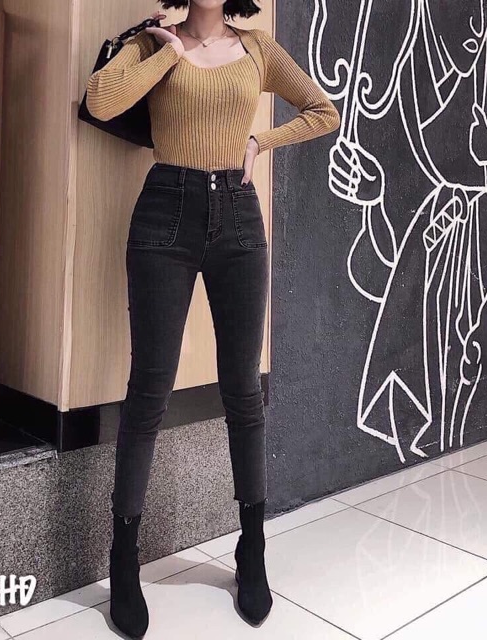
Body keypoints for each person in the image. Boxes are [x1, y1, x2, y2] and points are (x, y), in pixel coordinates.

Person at [85, 0, 340, 636]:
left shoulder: (258, 48)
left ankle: (251, 549)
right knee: (149, 390)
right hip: (163, 213)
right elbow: (100, 102)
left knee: (243, 391)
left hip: (238, 219)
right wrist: (169, 53)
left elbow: (323, 111)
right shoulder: (153, 43)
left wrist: (260, 140)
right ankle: (124, 560)